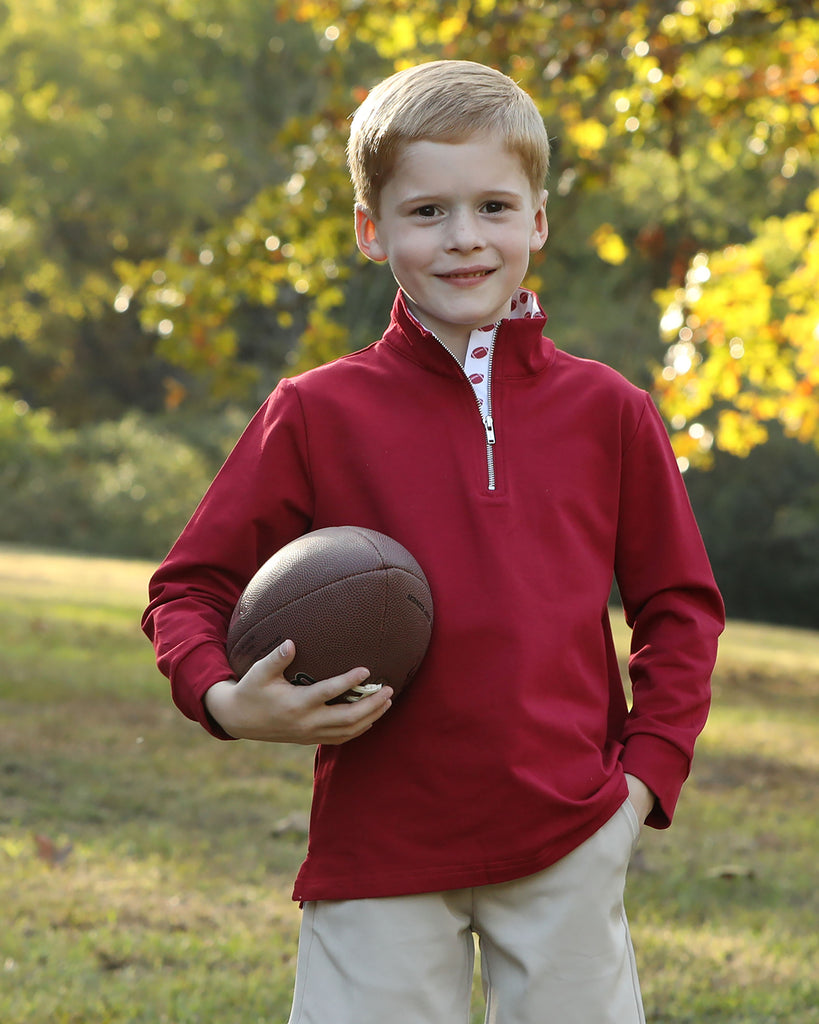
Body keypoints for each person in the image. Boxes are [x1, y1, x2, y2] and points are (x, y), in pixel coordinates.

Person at [142, 60, 724, 1024]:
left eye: (494, 206)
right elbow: (190, 586)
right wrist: (221, 697)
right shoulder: (316, 411)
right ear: (373, 231)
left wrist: (642, 784)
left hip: (571, 827)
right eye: (426, 213)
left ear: (538, 219)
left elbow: (679, 608)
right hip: (379, 841)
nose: (464, 240)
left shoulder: (609, 412)